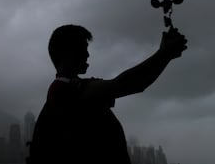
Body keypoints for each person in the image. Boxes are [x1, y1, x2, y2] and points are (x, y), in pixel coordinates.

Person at [28, 24, 188, 164]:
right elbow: (126, 84)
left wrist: (165, 54)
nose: (87, 55)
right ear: (67, 53)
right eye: (82, 49)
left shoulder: (69, 88)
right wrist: (165, 54)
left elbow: (132, 84)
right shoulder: (63, 89)